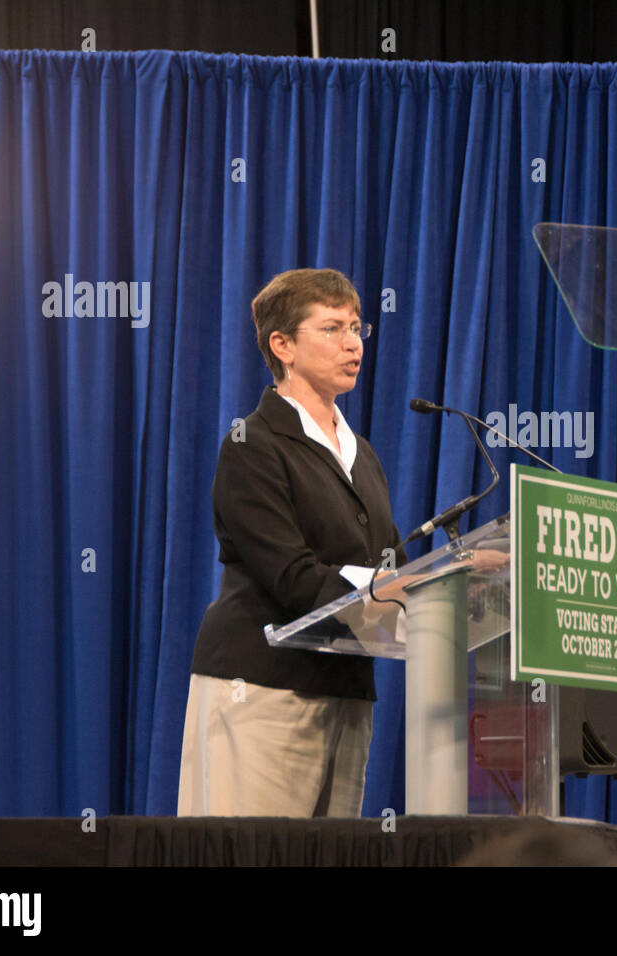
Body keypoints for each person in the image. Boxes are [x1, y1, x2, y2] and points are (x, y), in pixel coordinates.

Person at [177, 268, 403, 817]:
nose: (352, 343)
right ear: (282, 345)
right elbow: (292, 577)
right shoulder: (251, 444)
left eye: (356, 327)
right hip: (263, 687)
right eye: (331, 328)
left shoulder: (362, 453)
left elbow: (386, 559)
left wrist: (441, 580)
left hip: (347, 690)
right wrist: (391, 588)